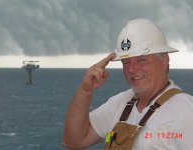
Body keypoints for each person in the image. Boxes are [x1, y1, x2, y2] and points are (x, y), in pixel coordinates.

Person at [63, 18, 193, 150]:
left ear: (164, 60)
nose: (131, 69)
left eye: (141, 60)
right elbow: (74, 141)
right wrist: (85, 90)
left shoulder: (186, 112)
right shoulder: (120, 103)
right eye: (126, 62)